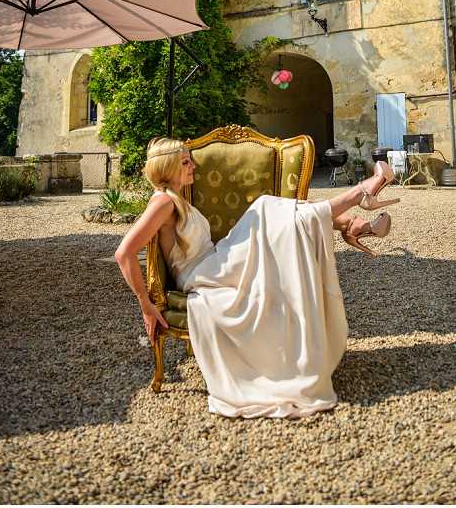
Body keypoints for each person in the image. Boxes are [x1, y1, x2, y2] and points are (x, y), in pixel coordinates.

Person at [115, 137, 399, 419]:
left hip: (215, 261)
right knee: (266, 210)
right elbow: (124, 253)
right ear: (168, 168)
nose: (193, 166)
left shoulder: (175, 199)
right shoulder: (164, 202)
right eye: (186, 162)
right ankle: (358, 202)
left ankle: (352, 222)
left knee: (278, 213)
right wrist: (146, 304)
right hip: (203, 273)